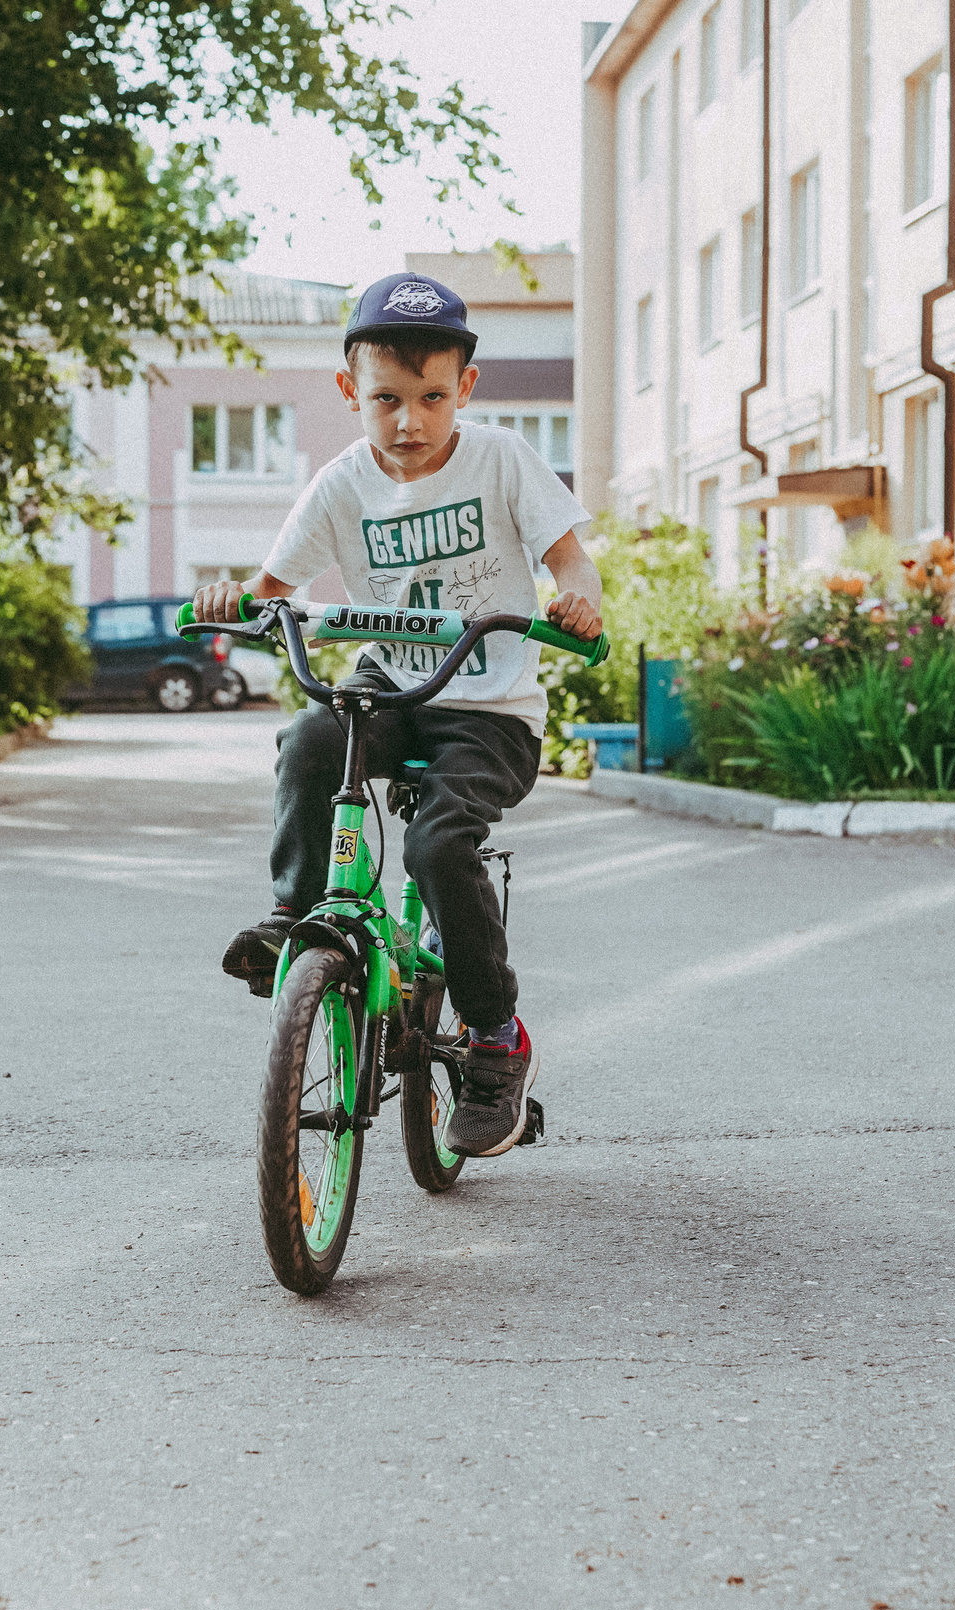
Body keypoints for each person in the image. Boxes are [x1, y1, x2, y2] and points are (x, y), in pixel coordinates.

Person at [194, 270, 604, 1159]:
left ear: (467, 388)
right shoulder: (342, 485)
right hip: (396, 688)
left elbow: (571, 557)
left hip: (490, 708)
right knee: (309, 734)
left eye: (431, 397)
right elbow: (270, 590)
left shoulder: (499, 459)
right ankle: (295, 912)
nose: (410, 421)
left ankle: (496, 1037)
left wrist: (578, 601)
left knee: (434, 845)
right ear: (350, 393)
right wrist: (235, 596)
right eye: (386, 400)